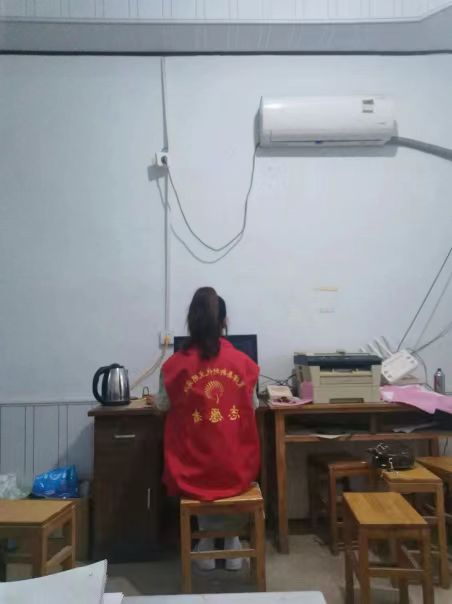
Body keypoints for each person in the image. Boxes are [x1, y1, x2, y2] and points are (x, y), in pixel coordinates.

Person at [154, 287, 260, 570]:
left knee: (197, 461)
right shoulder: (244, 364)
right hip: (236, 469)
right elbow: (254, 405)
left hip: (191, 471)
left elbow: (162, 406)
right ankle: (232, 543)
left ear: (192, 321)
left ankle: (205, 543)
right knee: (228, 460)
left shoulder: (174, 366)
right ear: (224, 321)